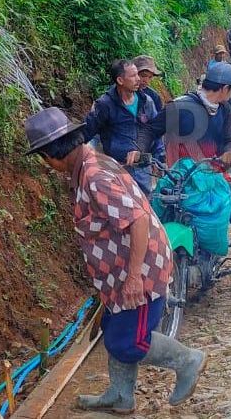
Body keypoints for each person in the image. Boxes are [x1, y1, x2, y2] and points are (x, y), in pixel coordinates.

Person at [24, 108, 206, 414]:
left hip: (140, 268)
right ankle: (121, 396)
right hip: (120, 269)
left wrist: (134, 277)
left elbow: (137, 221)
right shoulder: (89, 163)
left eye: (44, 160)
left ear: (51, 156)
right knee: (114, 327)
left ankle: (187, 360)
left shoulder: (95, 177)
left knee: (128, 342)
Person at [137, 63, 231, 288]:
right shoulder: (180, 108)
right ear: (225, 88)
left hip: (214, 179)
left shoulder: (224, 109)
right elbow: (149, 130)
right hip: (181, 182)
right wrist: (139, 151)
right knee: (151, 230)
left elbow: (229, 138)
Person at [83, 59, 158, 194]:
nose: (138, 79)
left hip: (142, 169)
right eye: (133, 76)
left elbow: (156, 131)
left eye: (138, 75)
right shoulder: (105, 105)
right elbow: (87, 133)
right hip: (116, 170)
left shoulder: (147, 102)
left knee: (145, 207)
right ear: (120, 80)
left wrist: (159, 159)